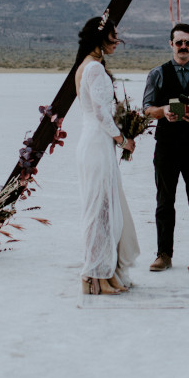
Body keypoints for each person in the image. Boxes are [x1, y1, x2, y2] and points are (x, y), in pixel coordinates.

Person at [141, 22, 189, 272]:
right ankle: (163, 254)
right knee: (165, 201)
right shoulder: (157, 74)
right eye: (179, 42)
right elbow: (146, 109)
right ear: (171, 44)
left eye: (188, 43)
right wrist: (163, 111)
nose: (183, 47)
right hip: (167, 145)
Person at [73, 15, 141, 294]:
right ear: (100, 39)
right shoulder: (95, 70)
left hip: (92, 142)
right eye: (113, 37)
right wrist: (124, 139)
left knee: (103, 209)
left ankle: (106, 272)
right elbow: (102, 113)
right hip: (98, 144)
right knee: (100, 212)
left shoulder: (84, 66)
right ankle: (94, 276)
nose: (117, 42)